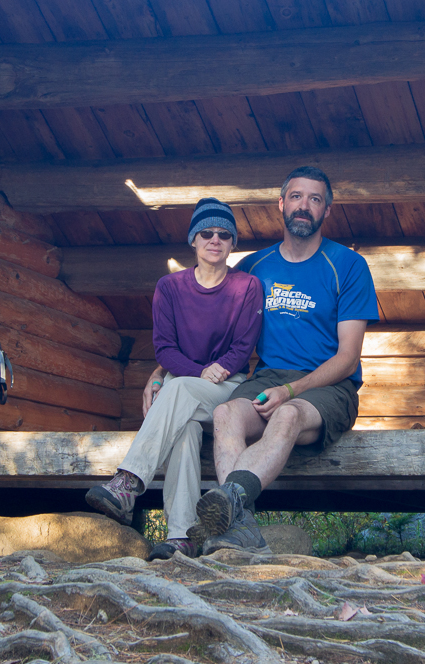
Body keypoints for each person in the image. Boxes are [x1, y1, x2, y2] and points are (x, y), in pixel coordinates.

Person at [186, 166, 379, 555]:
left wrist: (291, 390)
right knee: (224, 414)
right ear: (281, 204)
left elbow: (347, 357)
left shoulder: (348, 266)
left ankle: (230, 501)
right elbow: (209, 331)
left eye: (314, 199)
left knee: (288, 414)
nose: (303, 206)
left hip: (328, 386)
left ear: (327, 210)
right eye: (296, 196)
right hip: (268, 377)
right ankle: (240, 526)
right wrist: (161, 371)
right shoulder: (255, 268)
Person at [85, 198, 263, 560]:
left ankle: (128, 483)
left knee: (176, 388)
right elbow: (164, 349)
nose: (215, 239)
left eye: (224, 234)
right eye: (206, 232)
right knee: (184, 430)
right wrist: (197, 371)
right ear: (193, 241)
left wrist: (217, 370)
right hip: (187, 383)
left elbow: (244, 348)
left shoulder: (247, 287)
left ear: (233, 244)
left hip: (228, 388)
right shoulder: (169, 288)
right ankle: (182, 535)